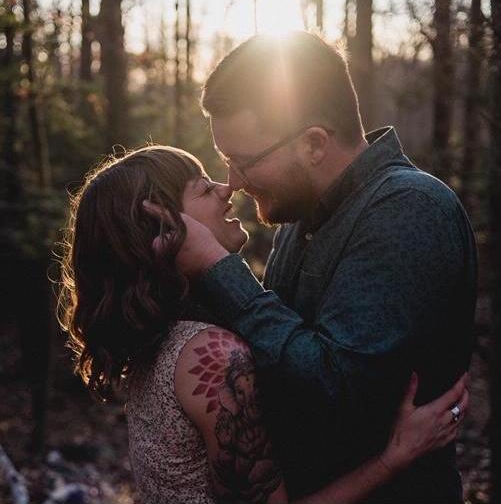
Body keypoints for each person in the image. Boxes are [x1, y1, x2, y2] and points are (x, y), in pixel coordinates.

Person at [149, 32, 478, 503]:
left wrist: (218, 268)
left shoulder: (408, 208)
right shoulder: (302, 219)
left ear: (315, 144)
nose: (233, 182)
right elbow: (273, 366)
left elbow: (335, 391)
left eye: (243, 161)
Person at [58, 146, 469, 504]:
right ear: (165, 228)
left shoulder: (172, 336)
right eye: (203, 188)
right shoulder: (211, 356)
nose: (226, 188)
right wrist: (393, 457)